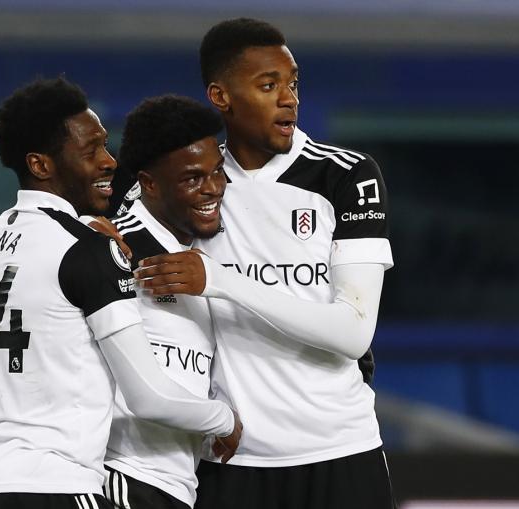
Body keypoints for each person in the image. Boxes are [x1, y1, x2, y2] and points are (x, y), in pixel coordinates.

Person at [0, 77, 241, 509]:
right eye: (91, 152)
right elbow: (148, 396)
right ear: (41, 165)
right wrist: (223, 419)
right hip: (53, 484)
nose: (109, 163)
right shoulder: (88, 248)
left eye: (105, 146)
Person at [133, 18, 396, 509]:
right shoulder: (194, 183)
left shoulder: (346, 177)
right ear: (221, 96)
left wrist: (221, 281)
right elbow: (114, 240)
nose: (288, 98)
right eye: (268, 85)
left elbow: (354, 332)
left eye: (292, 83)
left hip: (341, 450)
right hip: (233, 460)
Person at [100, 95, 233, 509]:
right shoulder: (110, 248)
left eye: (217, 172)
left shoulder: (209, 257)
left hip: (178, 485)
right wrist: (224, 422)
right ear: (150, 183)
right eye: (192, 178)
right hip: (120, 477)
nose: (212, 189)